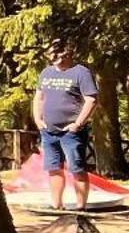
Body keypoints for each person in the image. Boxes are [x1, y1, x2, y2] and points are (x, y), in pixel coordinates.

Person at [33, 40, 98, 210]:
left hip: (71, 132)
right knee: (53, 169)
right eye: (50, 53)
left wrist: (78, 124)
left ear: (67, 53)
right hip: (48, 131)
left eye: (56, 53)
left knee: (77, 169)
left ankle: (80, 207)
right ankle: (57, 205)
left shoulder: (81, 73)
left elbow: (91, 99)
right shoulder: (46, 73)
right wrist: (38, 120)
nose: (52, 57)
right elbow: (39, 97)